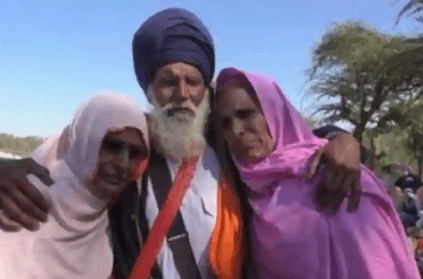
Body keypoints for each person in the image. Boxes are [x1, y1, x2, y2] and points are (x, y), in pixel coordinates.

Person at [0, 8, 362, 279]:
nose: (182, 94)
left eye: (193, 81)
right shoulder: (128, 146)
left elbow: (288, 139)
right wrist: (5, 168)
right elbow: (67, 152)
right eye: (168, 81)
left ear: (206, 91)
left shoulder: (228, 146)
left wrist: (341, 138)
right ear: (149, 90)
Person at [214, 67, 420, 279]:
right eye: (226, 123)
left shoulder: (337, 171)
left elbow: (378, 266)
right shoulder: (242, 186)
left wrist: (345, 141)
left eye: (246, 114)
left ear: (273, 110)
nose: (236, 130)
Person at [0, 94, 150, 279]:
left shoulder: (110, 214)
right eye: (112, 146)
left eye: (135, 153)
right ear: (84, 140)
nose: (123, 163)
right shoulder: (21, 195)